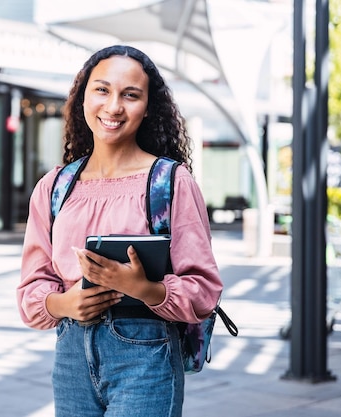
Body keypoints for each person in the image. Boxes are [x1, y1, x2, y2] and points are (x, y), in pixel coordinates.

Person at [17, 45, 223, 417]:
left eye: (130, 95)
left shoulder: (171, 182)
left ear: (147, 108)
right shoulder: (54, 187)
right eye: (102, 90)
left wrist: (141, 288)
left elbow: (204, 289)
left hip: (146, 357)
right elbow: (32, 288)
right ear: (82, 98)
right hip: (71, 358)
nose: (113, 107)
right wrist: (64, 303)